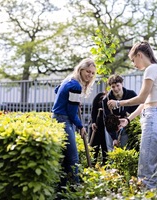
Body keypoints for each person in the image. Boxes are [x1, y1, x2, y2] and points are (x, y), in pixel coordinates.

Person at [107, 41, 157, 199]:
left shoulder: (151, 69)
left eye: (133, 60)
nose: (134, 64)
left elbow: (141, 98)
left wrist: (118, 103)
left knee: (146, 171)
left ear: (140, 55)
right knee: (153, 170)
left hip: (152, 120)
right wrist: (128, 120)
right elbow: (146, 102)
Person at [51, 58, 96, 189]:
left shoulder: (69, 79)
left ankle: (63, 188)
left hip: (57, 117)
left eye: (93, 73)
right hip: (64, 119)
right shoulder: (76, 86)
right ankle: (76, 188)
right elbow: (72, 114)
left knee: (66, 158)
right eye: (88, 71)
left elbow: (57, 90)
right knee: (73, 158)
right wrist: (81, 126)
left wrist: (73, 101)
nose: (90, 75)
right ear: (81, 70)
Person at [102, 74, 138, 151]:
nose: (116, 89)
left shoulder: (131, 94)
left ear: (122, 84)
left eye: (118, 85)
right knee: (112, 148)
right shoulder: (106, 100)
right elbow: (107, 121)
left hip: (127, 124)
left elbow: (137, 110)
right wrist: (114, 138)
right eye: (113, 87)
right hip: (112, 127)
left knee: (126, 148)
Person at [89, 91, 108, 166]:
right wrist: (93, 122)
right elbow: (93, 110)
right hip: (96, 126)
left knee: (106, 149)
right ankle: (91, 166)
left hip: (107, 128)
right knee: (93, 148)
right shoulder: (99, 96)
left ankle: (106, 169)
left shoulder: (114, 98)